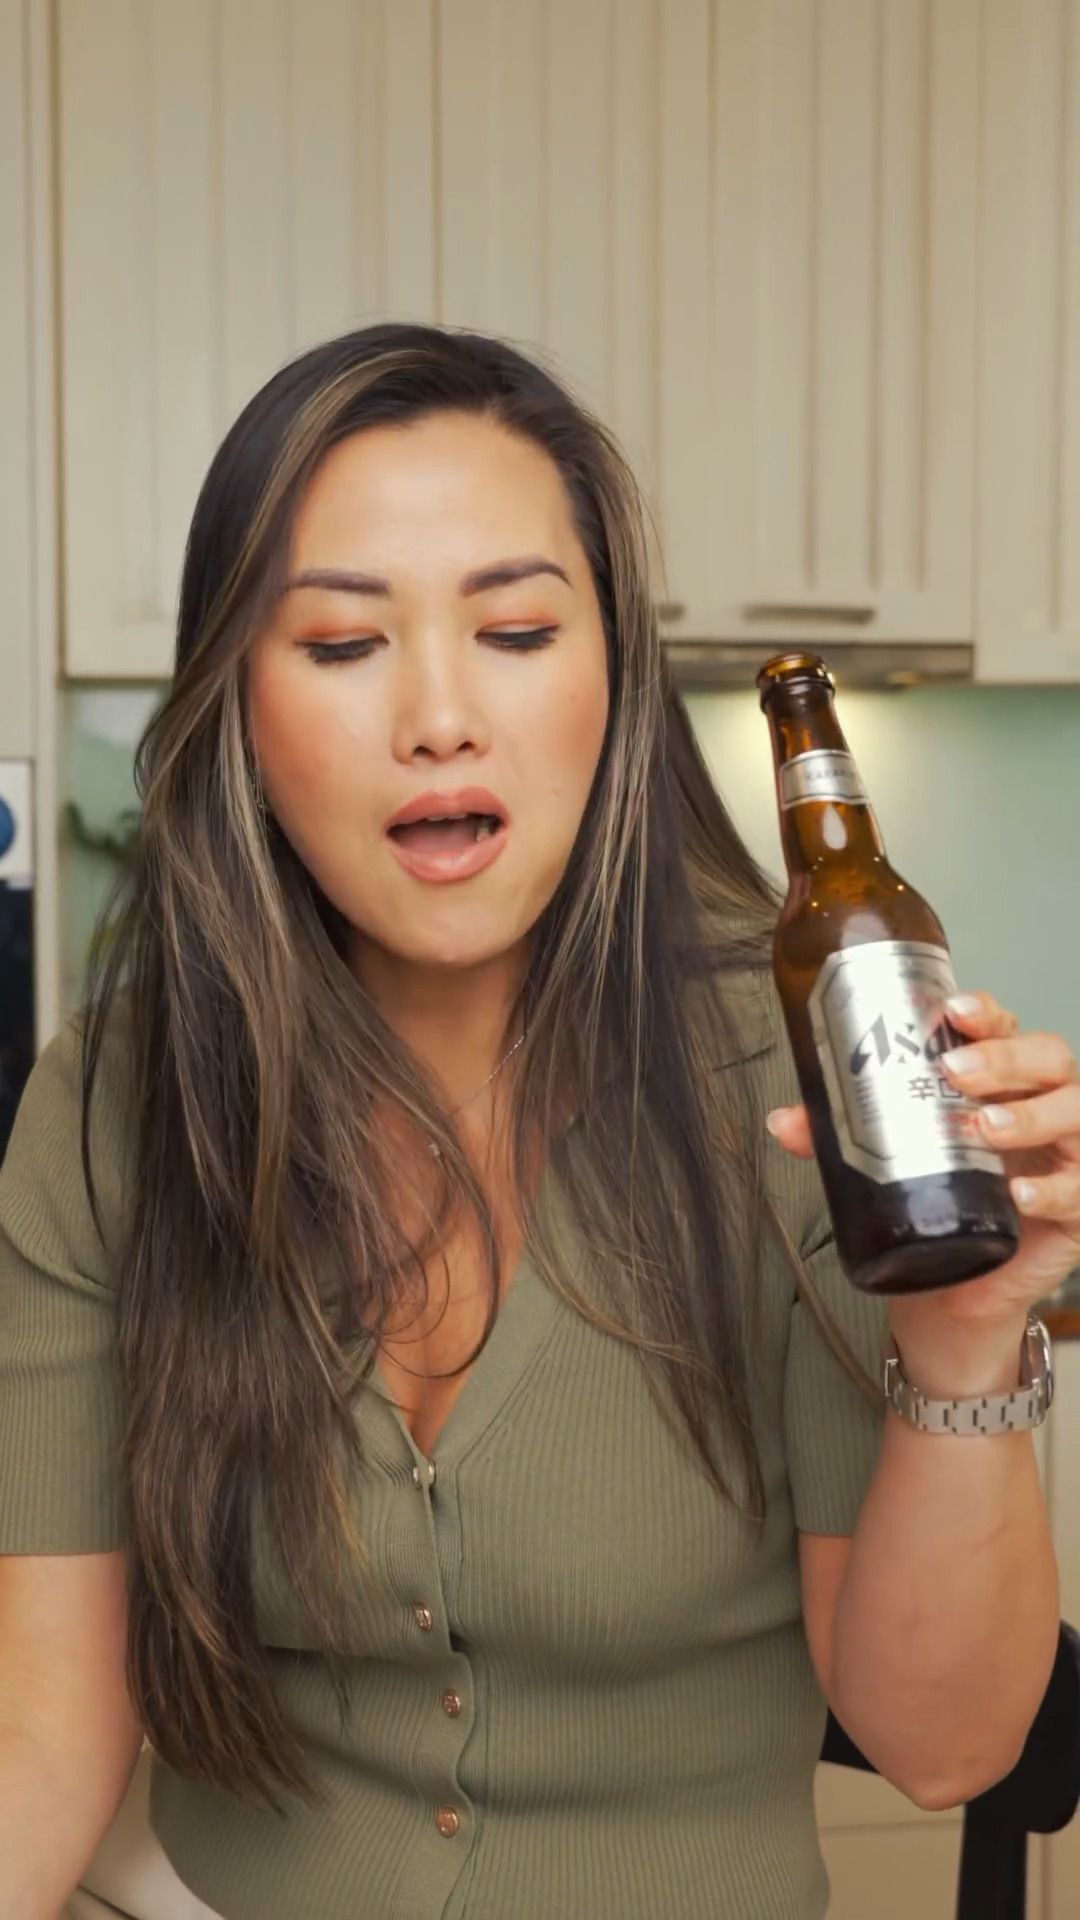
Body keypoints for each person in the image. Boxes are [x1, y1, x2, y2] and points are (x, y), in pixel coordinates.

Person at [0, 323, 1076, 1920]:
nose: (440, 716)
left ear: (615, 681)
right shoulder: (117, 1101)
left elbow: (943, 1749)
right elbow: (40, 1724)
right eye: (342, 644)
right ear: (239, 706)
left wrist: (968, 1345)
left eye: (513, 629)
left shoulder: (810, 1081)